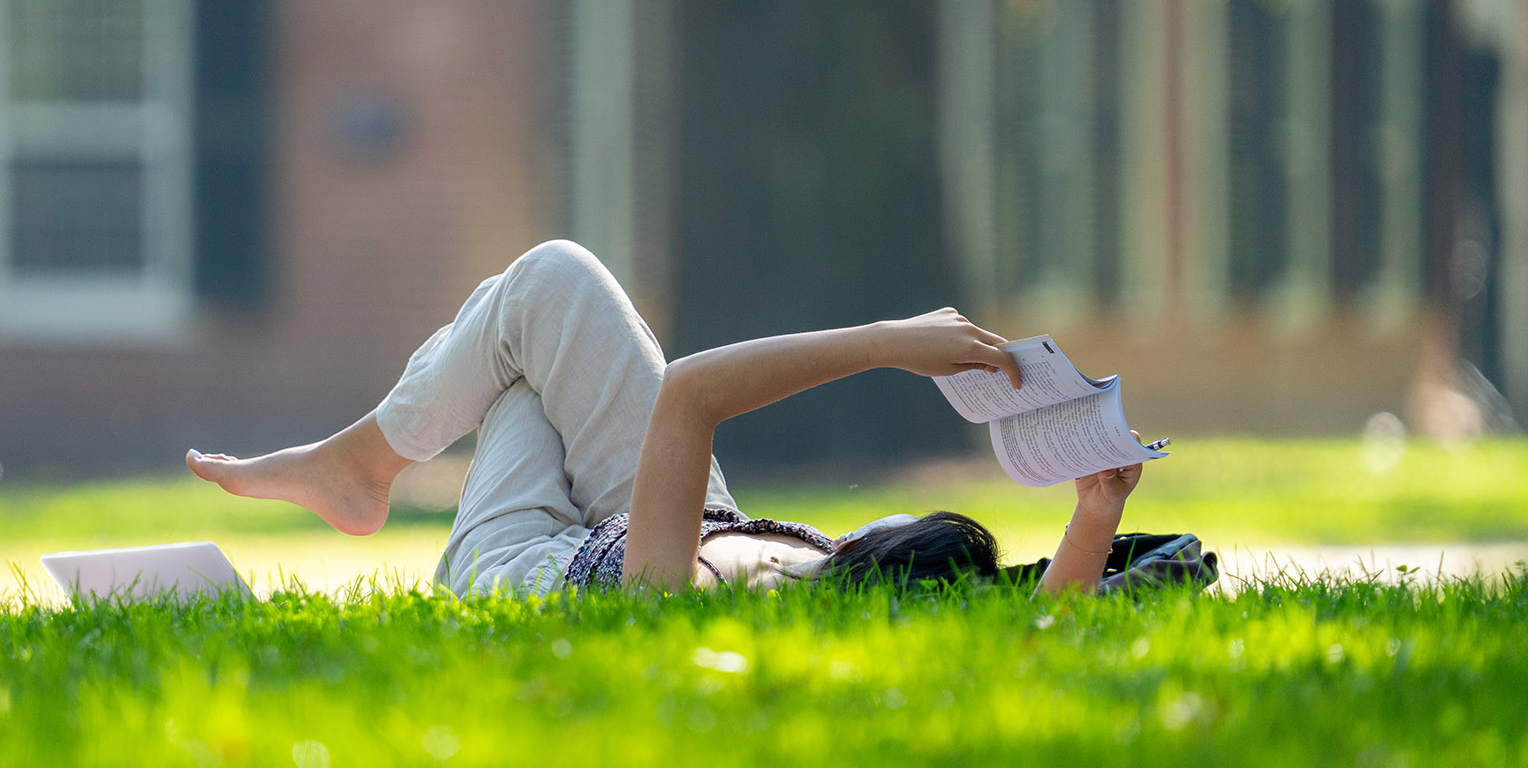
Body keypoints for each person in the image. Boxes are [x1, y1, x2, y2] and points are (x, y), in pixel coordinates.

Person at [186, 240, 1145, 597]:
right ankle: (356, 463)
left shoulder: (678, 602)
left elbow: (689, 391)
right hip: (679, 506)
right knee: (542, 289)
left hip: (527, 563)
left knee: (512, 354)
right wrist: (1093, 511)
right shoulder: (882, 605)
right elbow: (1037, 621)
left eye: (880, 533)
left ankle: (352, 470)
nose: (873, 520)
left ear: (864, 565)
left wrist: (886, 341)